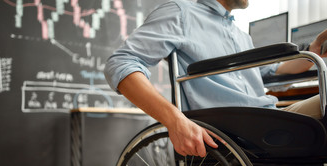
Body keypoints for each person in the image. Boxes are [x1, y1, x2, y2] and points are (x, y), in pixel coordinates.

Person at [104, 0, 327, 157]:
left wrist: (313, 53)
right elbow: (121, 63)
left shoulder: (241, 35)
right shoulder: (181, 13)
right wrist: (174, 119)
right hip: (239, 128)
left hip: (270, 116)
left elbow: (268, 71)